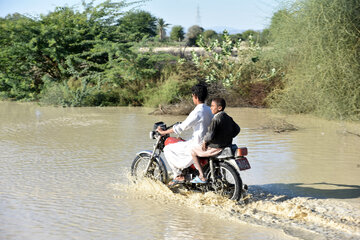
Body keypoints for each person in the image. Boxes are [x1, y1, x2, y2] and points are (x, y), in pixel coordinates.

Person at [157, 84, 213, 186]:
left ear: (195, 96)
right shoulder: (209, 110)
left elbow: (181, 127)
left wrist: (163, 132)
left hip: (197, 145)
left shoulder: (197, 112)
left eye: (192, 96)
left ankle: (178, 176)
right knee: (181, 142)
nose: (192, 98)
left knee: (168, 149)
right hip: (208, 143)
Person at [190, 97, 240, 184]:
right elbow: (237, 129)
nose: (211, 108)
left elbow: (210, 134)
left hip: (216, 147)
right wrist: (227, 136)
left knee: (193, 151)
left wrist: (205, 141)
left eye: (213, 106)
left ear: (219, 108)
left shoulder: (216, 118)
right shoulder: (228, 117)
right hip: (226, 145)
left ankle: (202, 176)